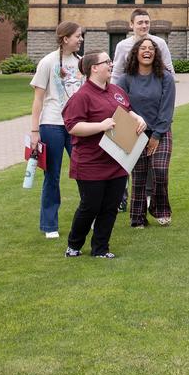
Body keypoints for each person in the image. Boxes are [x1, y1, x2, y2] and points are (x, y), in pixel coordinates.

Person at [61, 49, 145, 257]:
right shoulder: (81, 96)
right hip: (91, 163)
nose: (111, 64)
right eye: (106, 61)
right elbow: (72, 127)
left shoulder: (116, 90)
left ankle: (100, 248)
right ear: (94, 68)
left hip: (117, 161)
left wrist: (138, 119)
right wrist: (101, 126)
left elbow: (126, 109)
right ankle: (74, 245)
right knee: (90, 207)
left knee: (110, 207)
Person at [27, 20, 85, 239]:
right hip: (52, 125)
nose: (80, 39)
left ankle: (87, 217)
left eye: (81, 36)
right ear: (65, 38)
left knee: (84, 172)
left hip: (77, 126)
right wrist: (34, 132)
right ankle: (50, 225)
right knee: (52, 175)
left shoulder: (81, 63)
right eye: (77, 36)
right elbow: (38, 99)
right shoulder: (48, 62)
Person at [112, 35, 176, 227]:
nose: (147, 51)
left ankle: (160, 209)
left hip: (161, 131)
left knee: (160, 170)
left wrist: (156, 135)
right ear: (135, 53)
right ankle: (137, 217)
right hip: (135, 133)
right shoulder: (125, 79)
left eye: (151, 48)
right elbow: (120, 106)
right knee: (138, 176)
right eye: (143, 48)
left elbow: (167, 109)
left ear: (156, 54)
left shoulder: (165, 78)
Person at [112, 7, 175, 74]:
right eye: (140, 23)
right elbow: (117, 73)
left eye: (147, 22)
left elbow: (169, 68)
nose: (144, 26)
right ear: (131, 24)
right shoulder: (122, 46)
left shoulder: (160, 43)